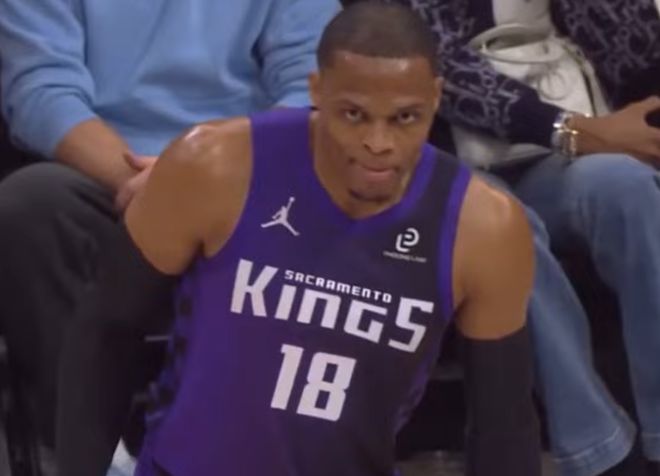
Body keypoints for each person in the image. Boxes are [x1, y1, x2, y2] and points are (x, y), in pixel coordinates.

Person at [75, 3, 540, 475]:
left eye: (405, 118)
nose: (378, 142)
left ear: (435, 98)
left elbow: (504, 428)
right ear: (317, 91)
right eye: (354, 114)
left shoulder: (483, 227)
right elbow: (106, 328)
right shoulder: (213, 165)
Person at [0, 0, 340, 465]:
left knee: (340, 188)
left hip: (248, 175)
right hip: (114, 180)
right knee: (29, 205)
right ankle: (100, 459)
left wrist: (212, 173)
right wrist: (160, 188)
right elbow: (41, 90)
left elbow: (315, 83)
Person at [383, 0, 660, 474]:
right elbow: (431, 64)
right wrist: (566, 129)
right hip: (443, 159)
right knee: (505, 228)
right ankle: (599, 451)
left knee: (628, 189)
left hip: (559, 148)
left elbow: (637, 49)